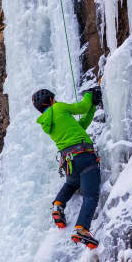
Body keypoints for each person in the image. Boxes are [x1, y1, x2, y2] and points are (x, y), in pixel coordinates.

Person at [33, 86, 102, 249]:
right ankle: (82, 229)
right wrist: (88, 96)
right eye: (53, 99)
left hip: (69, 161)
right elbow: (82, 107)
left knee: (72, 183)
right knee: (91, 195)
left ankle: (58, 205)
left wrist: (93, 106)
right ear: (50, 100)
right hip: (84, 155)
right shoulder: (59, 107)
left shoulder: (47, 122)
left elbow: (81, 126)